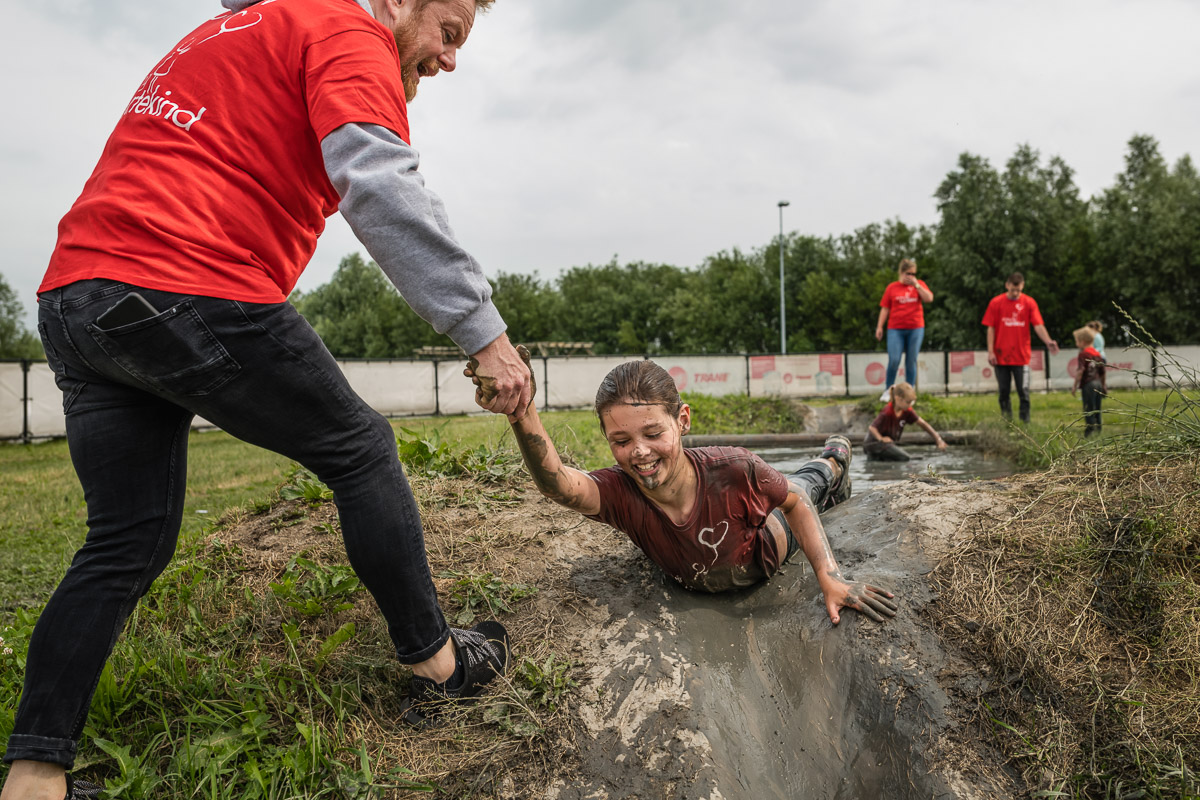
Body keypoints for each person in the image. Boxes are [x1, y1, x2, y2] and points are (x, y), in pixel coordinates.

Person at [2, 0, 531, 796]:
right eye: (447, 31)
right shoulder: (348, 32)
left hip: (79, 298)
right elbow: (380, 185)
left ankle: (32, 781)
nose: (449, 59)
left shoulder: (248, 28)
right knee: (361, 449)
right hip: (188, 282)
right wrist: (482, 331)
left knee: (123, 542)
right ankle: (440, 665)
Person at [469, 356, 898, 623]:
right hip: (719, 557)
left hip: (771, 535)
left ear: (683, 420)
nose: (639, 452)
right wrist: (521, 412)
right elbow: (559, 484)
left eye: (653, 433)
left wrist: (831, 578)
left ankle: (835, 456)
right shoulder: (620, 494)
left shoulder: (734, 468)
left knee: (810, 484)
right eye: (620, 441)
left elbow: (796, 503)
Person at [981, 272, 1059, 423]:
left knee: (1023, 391)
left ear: (1022, 286)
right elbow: (990, 328)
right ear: (1007, 285)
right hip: (1001, 356)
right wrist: (990, 351)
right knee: (1003, 392)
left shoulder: (1029, 303)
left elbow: (1038, 325)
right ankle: (1007, 421)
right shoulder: (996, 303)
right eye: (1013, 290)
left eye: (1018, 290)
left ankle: (1025, 423)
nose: (1015, 293)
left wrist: (1048, 341)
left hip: (1021, 357)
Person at [875, 258, 933, 401]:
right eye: (909, 273)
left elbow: (929, 299)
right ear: (901, 272)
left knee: (911, 360)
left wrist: (917, 286)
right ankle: (889, 391)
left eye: (914, 274)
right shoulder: (892, 288)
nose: (912, 276)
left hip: (916, 328)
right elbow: (885, 308)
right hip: (896, 329)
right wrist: (879, 327)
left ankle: (909, 394)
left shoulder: (919, 285)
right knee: (894, 359)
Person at [863, 382, 947, 462]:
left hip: (886, 446)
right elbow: (872, 428)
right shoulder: (887, 412)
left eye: (912, 402)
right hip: (873, 444)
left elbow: (923, 424)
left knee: (891, 460)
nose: (910, 405)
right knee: (905, 458)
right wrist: (881, 438)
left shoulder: (907, 411)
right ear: (898, 398)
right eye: (908, 402)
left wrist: (938, 439)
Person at [1071, 327, 1107, 437]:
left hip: (1088, 385)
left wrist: (1075, 385)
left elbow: (1080, 371)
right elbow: (1103, 372)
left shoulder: (1083, 354)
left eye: (1077, 341)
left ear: (1083, 342)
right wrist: (1104, 385)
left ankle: (1089, 430)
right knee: (1097, 408)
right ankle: (1098, 428)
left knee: (1088, 408)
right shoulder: (1097, 354)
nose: (1076, 344)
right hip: (1098, 383)